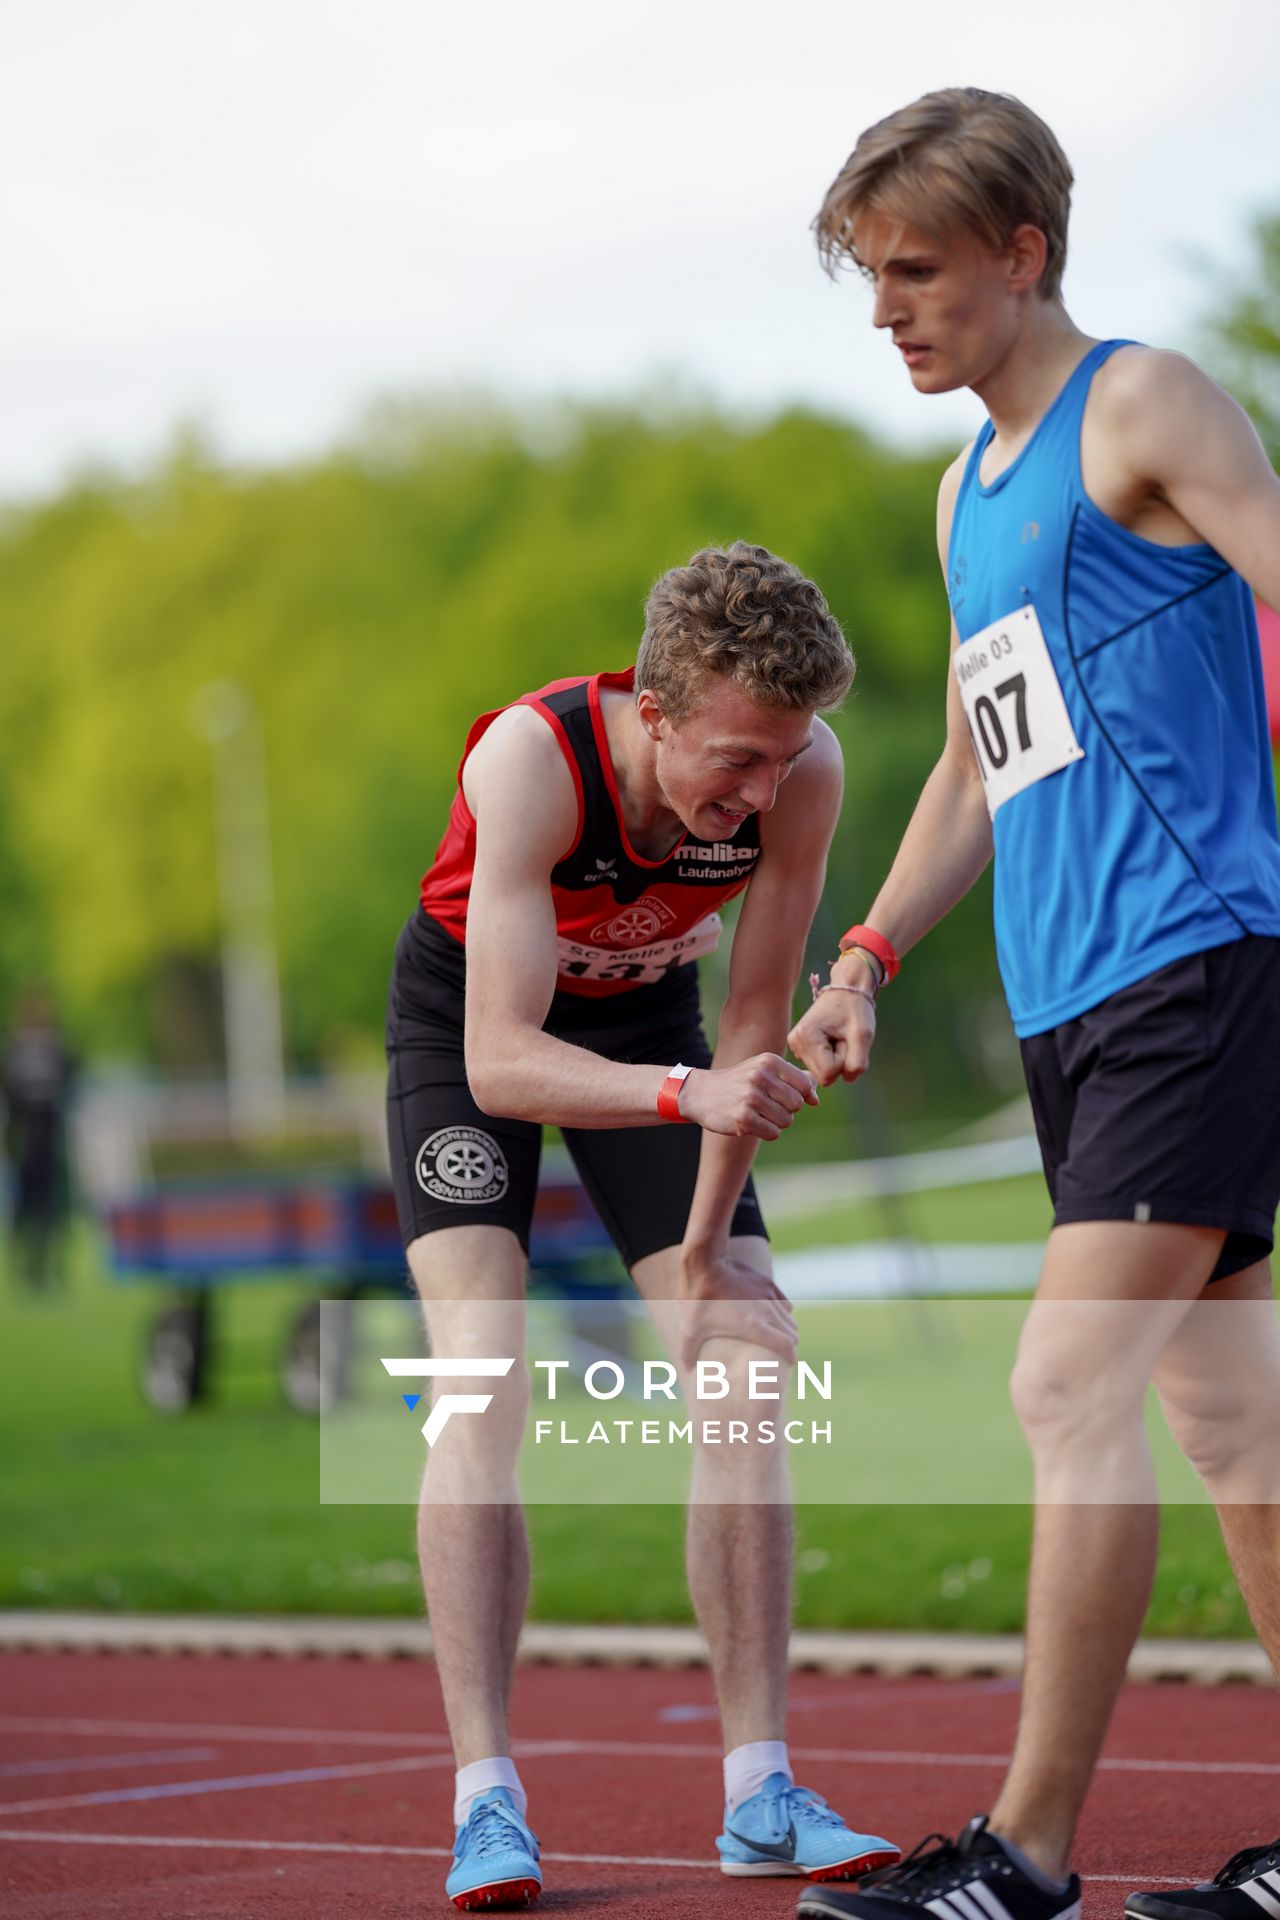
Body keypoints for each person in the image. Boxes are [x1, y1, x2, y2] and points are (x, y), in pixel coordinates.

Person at [787, 88, 1280, 1920]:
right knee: (1233, 1425)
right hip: (1071, 1003)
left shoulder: (1144, 404)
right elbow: (984, 763)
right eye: (868, 279)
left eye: (918, 271)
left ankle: (1027, 1858)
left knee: (1066, 1389)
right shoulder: (964, 492)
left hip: (1197, 966)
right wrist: (862, 960)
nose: (890, 310)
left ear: (1024, 252)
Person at [386, 540, 900, 1911]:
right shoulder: (529, 759)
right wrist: (689, 1095)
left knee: (741, 1368)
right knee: (478, 1380)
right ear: (653, 710)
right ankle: (484, 1799)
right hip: (472, 1034)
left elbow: (751, 1025)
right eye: (736, 758)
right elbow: (500, 1061)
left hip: (666, 1033)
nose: (763, 791)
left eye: (784, 759)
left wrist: (705, 1256)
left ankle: (760, 1791)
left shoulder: (806, 772)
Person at [2, 988, 76, 1292]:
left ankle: (42, 1269)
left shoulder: (50, 1052)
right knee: (35, 1212)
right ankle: (33, 1269)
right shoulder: (27, 1053)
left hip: (43, 1144)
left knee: (45, 1213)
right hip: (31, 1145)